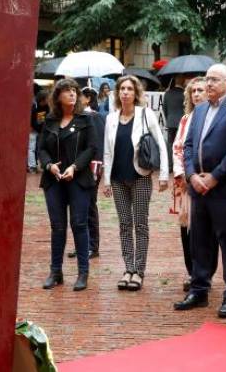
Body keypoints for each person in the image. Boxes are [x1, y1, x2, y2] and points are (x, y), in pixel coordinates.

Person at [174, 63, 226, 318]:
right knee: (199, 242)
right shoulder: (199, 110)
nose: (208, 84)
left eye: (214, 80)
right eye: (207, 79)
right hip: (198, 187)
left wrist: (215, 177)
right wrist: (191, 175)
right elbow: (188, 146)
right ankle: (199, 290)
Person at [102, 75, 169, 291]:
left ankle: (139, 271)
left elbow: (161, 144)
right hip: (117, 179)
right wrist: (106, 180)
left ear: (136, 93)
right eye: (122, 88)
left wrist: (164, 174)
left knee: (140, 224)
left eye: (130, 89)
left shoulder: (146, 114)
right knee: (124, 225)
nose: (125, 92)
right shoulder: (111, 118)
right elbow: (107, 151)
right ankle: (128, 269)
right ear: (117, 93)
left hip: (140, 177)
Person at [37, 78, 98, 292]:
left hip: (78, 179)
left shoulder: (86, 119)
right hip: (53, 180)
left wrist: (75, 167)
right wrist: (49, 165)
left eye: (74, 90)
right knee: (57, 226)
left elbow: (92, 148)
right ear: (58, 96)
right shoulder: (50, 120)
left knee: (79, 224)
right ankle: (56, 272)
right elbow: (41, 149)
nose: (72, 94)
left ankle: (83, 272)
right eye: (67, 91)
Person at [172, 77, 206, 291]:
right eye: (193, 91)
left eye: (200, 90)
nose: (196, 94)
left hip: (206, 181)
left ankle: (203, 273)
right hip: (184, 182)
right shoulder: (186, 119)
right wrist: (181, 173)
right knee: (186, 229)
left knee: (203, 230)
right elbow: (177, 146)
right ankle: (192, 272)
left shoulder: (213, 117)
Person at [68, 86, 106, 260]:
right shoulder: (77, 116)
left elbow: (98, 144)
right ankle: (82, 244)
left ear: (88, 98)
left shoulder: (95, 117)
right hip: (77, 166)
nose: (76, 98)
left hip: (91, 167)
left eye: (80, 95)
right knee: (78, 206)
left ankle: (92, 245)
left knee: (89, 205)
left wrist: (96, 168)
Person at [163, 75, 186, 173]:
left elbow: (164, 109)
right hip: (181, 123)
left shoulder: (167, 93)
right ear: (183, 81)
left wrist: (169, 119)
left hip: (170, 122)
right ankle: (179, 166)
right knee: (181, 145)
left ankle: (169, 166)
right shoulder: (184, 94)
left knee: (170, 145)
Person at [28, 90, 48, 173]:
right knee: (31, 148)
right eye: (47, 99)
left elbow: (42, 120)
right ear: (42, 99)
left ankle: (37, 164)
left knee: (39, 147)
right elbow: (31, 120)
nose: (48, 100)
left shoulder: (46, 107)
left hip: (41, 130)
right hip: (32, 129)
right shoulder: (34, 106)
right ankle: (32, 166)